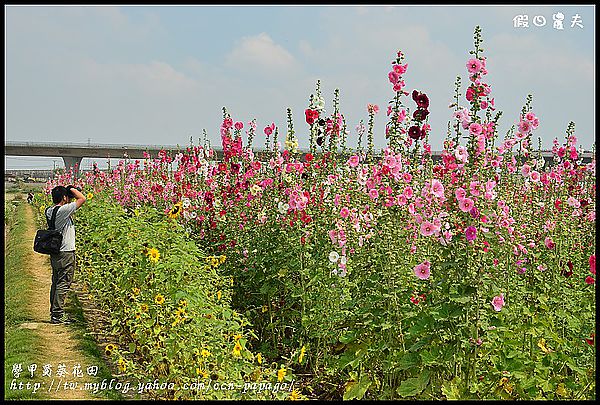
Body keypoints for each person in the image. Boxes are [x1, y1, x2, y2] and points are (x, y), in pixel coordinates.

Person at [45, 185, 86, 324]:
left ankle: (54, 312)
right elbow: (82, 198)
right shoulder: (63, 210)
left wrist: (66, 193)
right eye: (66, 196)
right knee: (63, 282)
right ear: (63, 197)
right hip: (65, 252)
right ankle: (57, 315)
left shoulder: (49, 211)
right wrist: (72, 189)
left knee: (56, 282)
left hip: (56, 252)